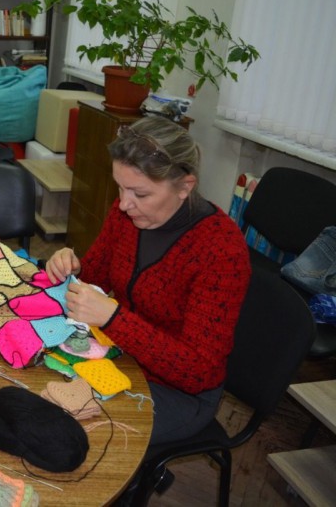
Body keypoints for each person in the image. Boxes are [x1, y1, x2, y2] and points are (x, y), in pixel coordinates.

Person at [45, 116, 250, 446]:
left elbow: (198, 371)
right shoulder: (128, 212)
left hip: (179, 392)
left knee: (70, 436)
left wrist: (113, 318)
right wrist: (69, 266)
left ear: (185, 186)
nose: (124, 204)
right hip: (121, 355)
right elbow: (92, 279)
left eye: (140, 193)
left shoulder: (220, 250)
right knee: (38, 389)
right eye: (120, 187)